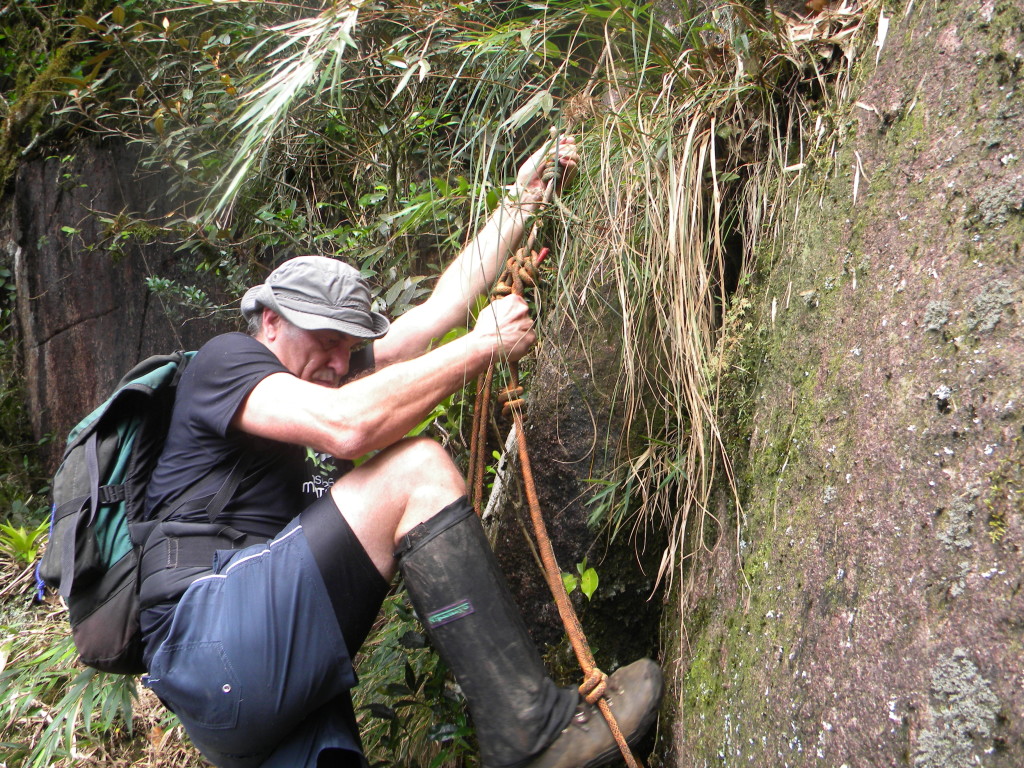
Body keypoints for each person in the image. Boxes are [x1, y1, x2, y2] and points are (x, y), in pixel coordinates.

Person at [137, 135, 662, 768]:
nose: (338, 362)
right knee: (415, 468)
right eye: (325, 339)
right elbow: (348, 428)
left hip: (261, 687)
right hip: (208, 636)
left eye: (349, 344)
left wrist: (522, 200)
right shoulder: (228, 361)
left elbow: (434, 315)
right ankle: (531, 732)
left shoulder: (323, 372)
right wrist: (481, 349)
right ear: (270, 322)